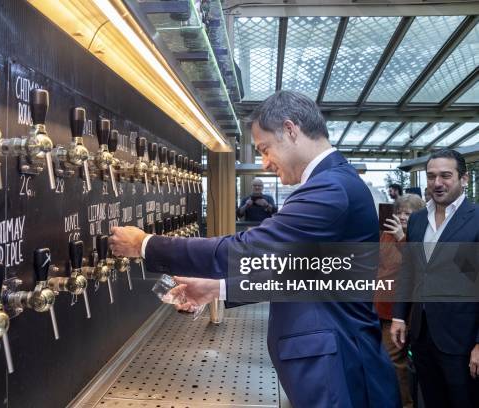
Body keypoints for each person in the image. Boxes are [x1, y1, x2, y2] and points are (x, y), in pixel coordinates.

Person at [110, 91, 400, 407]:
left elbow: (246, 249)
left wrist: (145, 244)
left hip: (340, 370)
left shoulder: (330, 188)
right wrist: (217, 289)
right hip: (335, 366)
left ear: (291, 130)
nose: (263, 163)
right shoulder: (333, 182)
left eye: (264, 149)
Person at [391, 149, 479, 408]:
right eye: (431, 176)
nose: (437, 183)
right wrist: (399, 315)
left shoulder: (476, 221)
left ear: (463, 179)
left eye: (445, 176)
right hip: (422, 335)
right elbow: (410, 269)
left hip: (461, 339)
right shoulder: (418, 220)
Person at [377, 194, 426, 408]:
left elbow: (419, 268)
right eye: (399, 212)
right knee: (386, 362)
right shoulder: (386, 234)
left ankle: (405, 403)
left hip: (401, 312)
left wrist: (401, 238)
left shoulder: (421, 236)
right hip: (379, 307)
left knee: (395, 362)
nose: (402, 217)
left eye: (408, 213)